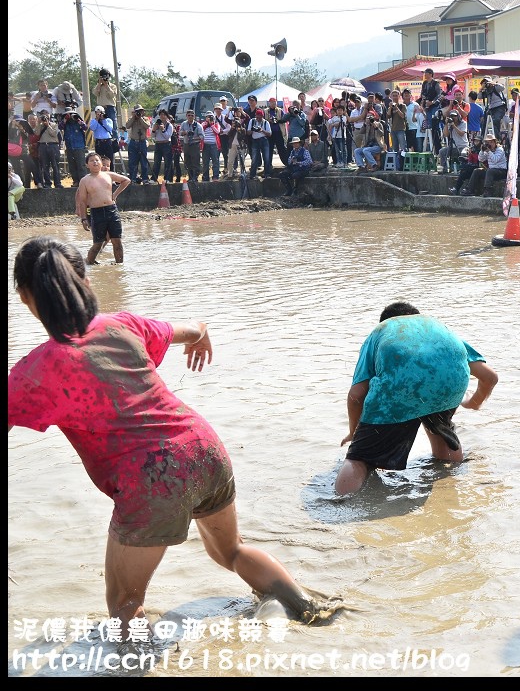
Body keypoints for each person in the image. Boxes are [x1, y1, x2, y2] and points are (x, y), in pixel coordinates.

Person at [7, 236, 329, 627]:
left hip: (150, 478)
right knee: (231, 552)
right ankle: (310, 609)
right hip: (203, 449)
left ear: (25, 297)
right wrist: (202, 334)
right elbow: (193, 328)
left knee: (125, 601)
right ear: (85, 282)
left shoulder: (34, 373)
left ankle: (131, 669)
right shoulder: (123, 325)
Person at [335, 301, 498, 496]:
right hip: (449, 388)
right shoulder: (438, 328)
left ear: (387, 321)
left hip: (399, 388)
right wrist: (474, 402)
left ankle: (341, 503)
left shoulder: (380, 331)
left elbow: (356, 395)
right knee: (436, 422)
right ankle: (450, 479)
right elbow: (490, 377)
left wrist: (355, 433)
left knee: (359, 457)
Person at [76, 151, 131, 264]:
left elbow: (126, 180)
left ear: (101, 163)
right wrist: (83, 218)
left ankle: (119, 266)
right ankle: (88, 262)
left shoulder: (108, 175)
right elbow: (82, 201)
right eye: (92, 161)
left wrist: (115, 194)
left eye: (97, 160)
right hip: (96, 212)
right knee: (98, 243)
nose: (95, 162)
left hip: (112, 210)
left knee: (117, 241)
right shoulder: (85, 180)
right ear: (87, 165)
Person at [60, 109, 89, 185]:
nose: (71, 116)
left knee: (81, 165)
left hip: (79, 147)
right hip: (69, 147)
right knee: (72, 165)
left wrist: (78, 120)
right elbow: (60, 127)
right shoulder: (66, 124)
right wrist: (65, 119)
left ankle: (83, 182)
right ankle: (75, 181)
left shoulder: (78, 123)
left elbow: (85, 127)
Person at [125, 104, 151, 184]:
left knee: (143, 162)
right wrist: (134, 117)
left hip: (142, 142)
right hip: (133, 142)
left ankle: (145, 179)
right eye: (137, 111)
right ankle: (133, 178)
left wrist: (140, 119)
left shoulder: (145, 119)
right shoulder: (132, 119)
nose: (139, 113)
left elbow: (147, 126)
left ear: (143, 111)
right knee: (132, 162)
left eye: (140, 111)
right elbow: (127, 126)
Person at [35, 111, 62, 189]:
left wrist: (48, 125)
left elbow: (54, 134)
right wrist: (38, 123)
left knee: (55, 165)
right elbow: (36, 133)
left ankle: (57, 183)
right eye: (43, 115)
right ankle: (47, 183)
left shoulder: (54, 125)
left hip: (53, 145)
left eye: (47, 115)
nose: (45, 117)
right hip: (43, 146)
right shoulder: (40, 125)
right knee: (45, 165)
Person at [150, 109, 175, 183]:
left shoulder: (169, 125)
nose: (162, 116)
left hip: (166, 144)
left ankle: (168, 178)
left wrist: (163, 130)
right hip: (158, 144)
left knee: (168, 162)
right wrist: (154, 129)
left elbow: (167, 136)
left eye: (164, 115)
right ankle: (154, 178)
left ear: (167, 116)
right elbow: (152, 136)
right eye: (161, 115)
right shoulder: (156, 123)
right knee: (156, 162)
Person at [247, 108, 272, 179]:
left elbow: (269, 134)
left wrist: (262, 130)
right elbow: (248, 133)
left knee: (266, 158)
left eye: (259, 116)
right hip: (255, 140)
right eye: (257, 116)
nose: (258, 118)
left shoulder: (265, 122)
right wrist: (253, 129)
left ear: (262, 116)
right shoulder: (252, 121)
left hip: (264, 140)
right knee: (254, 158)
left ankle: (267, 174)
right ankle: (252, 174)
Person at [199, 110, 221, 182]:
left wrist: (211, 125)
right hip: (205, 145)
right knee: (205, 162)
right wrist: (206, 124)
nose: (209, 118)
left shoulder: (216, 124)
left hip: (214, 145)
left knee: (215, 161)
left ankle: (215, 176)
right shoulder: (203, 124)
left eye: (210, 117)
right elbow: (201, 130)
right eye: (207, 117)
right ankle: (205, 177)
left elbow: (217, 132)